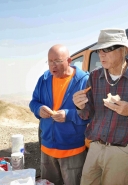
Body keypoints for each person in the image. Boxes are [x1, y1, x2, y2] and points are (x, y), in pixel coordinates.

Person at [73, 28, 128, 185]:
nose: (102, 54)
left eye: (108, 49)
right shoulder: (94, 76)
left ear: (124, 50)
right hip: (95, 147)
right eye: (100, 50)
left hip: (122, 151)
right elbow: (87, 113)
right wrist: (79, 106)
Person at [29, 44, 89, 185]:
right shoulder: (43, 80)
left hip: (73, 150)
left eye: (57, 61)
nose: (52, 65)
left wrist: (68, 115)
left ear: (69, 61)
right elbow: (33, 102)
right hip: (47, 150)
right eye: (50, 61)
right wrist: (39, 109)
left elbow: (93, 113)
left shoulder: (85, 81)